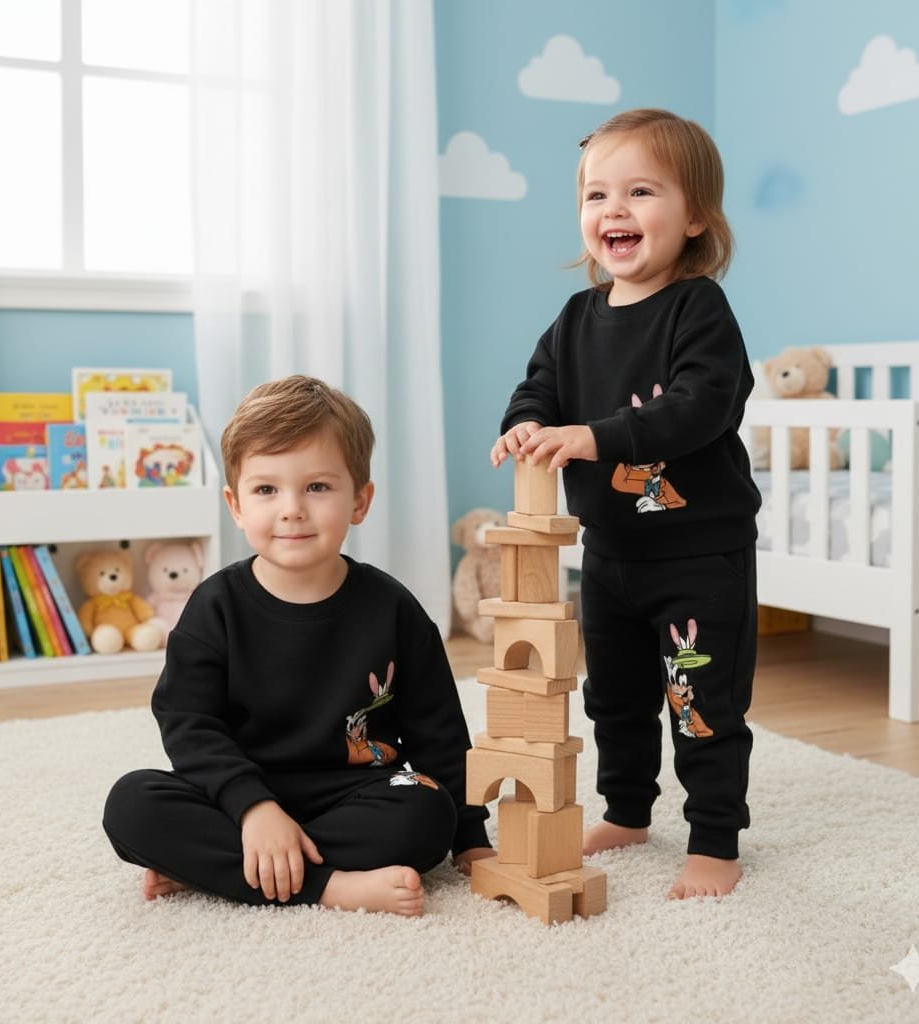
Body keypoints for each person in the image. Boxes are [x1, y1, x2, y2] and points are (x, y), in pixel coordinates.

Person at [490, 109, 761, 900]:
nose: (615, 209)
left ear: (695, 216)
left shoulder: (699, 309)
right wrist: (525, 424)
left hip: (698, 557)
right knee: (614, 699)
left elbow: (698, 408)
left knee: (699, 702)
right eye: (597, 194)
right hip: (608, 554)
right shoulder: (576, 319)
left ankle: (715, 840)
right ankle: (628, 810)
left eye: (641, 191)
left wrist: (595, 437)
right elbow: (537, 388)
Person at [105, 375, 492, 917]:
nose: (292, 509)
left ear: (360, 500)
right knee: (132, 805)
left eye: (317, 487)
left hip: (354, 794)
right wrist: (254, 808)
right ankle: (328, 886)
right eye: (266, 490)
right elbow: (190, 725)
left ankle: (221, 868)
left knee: (428, 812)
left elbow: (439, 728)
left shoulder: (393, 608)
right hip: (239, 798)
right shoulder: (214, 606)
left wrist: (470, 836)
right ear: (236, 505)